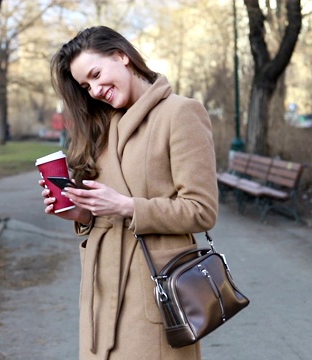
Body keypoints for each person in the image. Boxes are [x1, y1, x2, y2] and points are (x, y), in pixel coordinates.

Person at [39, 26, 218, 359]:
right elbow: (106, 210)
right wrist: (80, 213)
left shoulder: (180, 113)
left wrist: (126, 206)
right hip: (101, 294)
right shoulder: (103, 126)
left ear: (122, 56)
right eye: (85, 85)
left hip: (156, 292)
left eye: (95, 74)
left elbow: (201, 210)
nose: (94, 90)